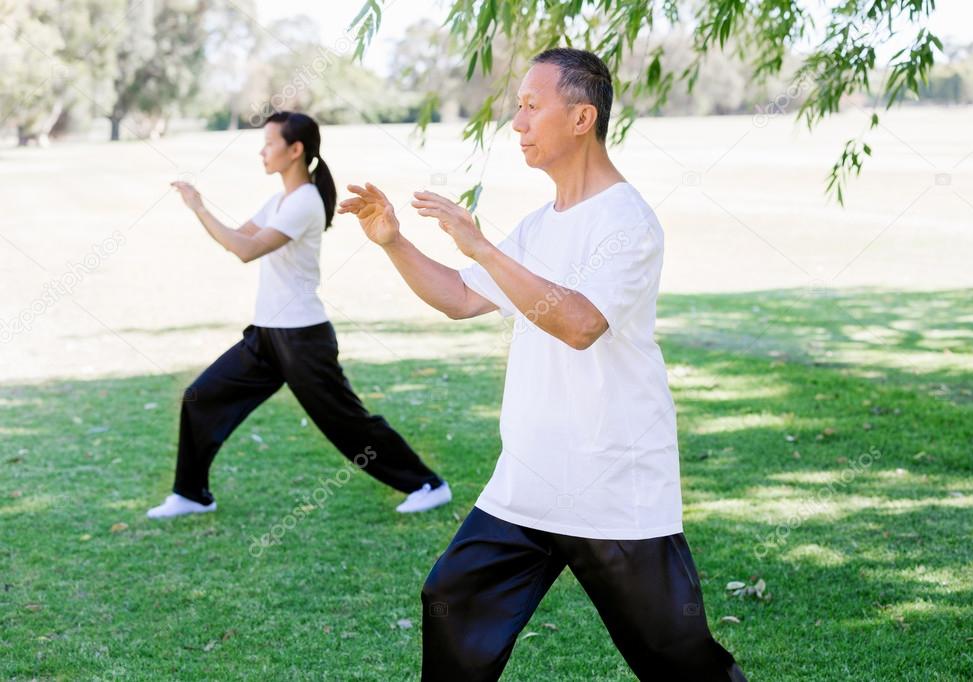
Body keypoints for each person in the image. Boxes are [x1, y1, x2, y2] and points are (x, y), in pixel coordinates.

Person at [339, 49, 746, 681]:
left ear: (582, 117)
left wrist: (481, 245)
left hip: (612, 485)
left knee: (677, 658)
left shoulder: (627, 221)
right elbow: (461, 297)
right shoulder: (537, 226)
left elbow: (579, 324)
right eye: (518, 106)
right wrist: (394, 241)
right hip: (528, 481)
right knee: (453, 603)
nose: (517, 122)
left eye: (532, 105)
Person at [146, 111, 451, 520]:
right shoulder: (281, 200)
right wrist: (201, 210)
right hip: (268, 336)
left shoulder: (305, 201)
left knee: (346, 423)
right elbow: (240, 236)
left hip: (302, 339)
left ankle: (428, 484)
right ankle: (191, 494)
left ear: (295, 150)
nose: (262, 151)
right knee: (201, 397)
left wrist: (198, 207)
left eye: (270, 143)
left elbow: (244, 250)